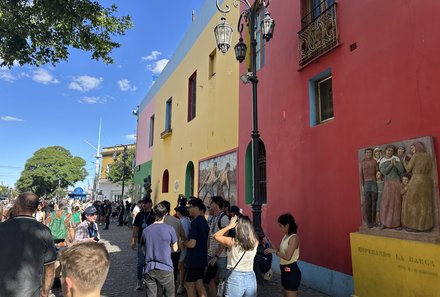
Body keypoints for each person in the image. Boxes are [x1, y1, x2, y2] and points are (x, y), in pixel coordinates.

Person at [0, 192, 57, 297]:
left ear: (16, 206)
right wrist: (45, 292)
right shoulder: (44, 231)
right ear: (35, 209)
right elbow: (49, 267)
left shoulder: (1, 228)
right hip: (31, 292)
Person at [214, 215, 258, 297]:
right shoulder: (255, 242)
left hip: (235, 276)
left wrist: (229, 226)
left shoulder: (232, 242)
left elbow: (216, 236)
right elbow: (251, 235)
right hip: (250, 276)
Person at [142, 203, 178, 297]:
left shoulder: (146, 230)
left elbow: (143, 248)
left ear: (153, 214)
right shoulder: (170, 229)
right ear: (165, 214)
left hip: (149, 268)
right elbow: (175, 248)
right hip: (165, 266)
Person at [264, 214, 301, 297]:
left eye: (280, 225)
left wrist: (273, 251)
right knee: (285, 294)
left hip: (291, 270)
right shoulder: (286, 236)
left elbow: (288, 257)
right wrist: (270, 243)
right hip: (284, 270)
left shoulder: (293, 238)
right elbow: (280, 251)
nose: (279, 228)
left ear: (287, 225)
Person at [402, 141, 434, 231]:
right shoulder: (427, 156)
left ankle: (414, 226)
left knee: (412, 203)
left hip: (416, 180)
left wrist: (405, 161)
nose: (412, 150)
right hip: (426, 181)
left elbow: (408, 169)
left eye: (413, 148)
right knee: (425, 204)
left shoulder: (416, 156)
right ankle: (425, 226)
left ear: (417, 147)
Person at [181, 198, 209, 297]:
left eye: (189, 207)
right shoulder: (204, 221)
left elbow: (192, 244)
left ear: (196, 207)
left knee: (189, 285)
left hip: (194, 260)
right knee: (199, 284)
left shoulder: (195, 222)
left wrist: (184, 243)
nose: (188, 209)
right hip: (201, 258)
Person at [205, 196, 230, 297]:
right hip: (210, 254)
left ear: (216, 204)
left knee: (223, 281)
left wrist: (216, 256)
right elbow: (209, 236)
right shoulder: (213, 218)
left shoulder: (224, 218)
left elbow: (225, 239)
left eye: (211, 203)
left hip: (221, 256)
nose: (210, 205)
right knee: (210, 279)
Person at [160, 200, 186, 285]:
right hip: (174, 251)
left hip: (161, 251)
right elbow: (183, 237)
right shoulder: (177, 221)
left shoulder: (157, 222)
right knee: (173, 272)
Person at [131, 197, 155, 290]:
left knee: (150, 262)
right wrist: (133, 240)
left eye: (145, 203)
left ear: (150, 204)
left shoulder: (154, 214)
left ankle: (148, 279)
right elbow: (136, 228)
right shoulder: (140, 214)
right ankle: (139, 280)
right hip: (142, 242)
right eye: (142, 203)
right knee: (140, 263)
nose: (143, 205)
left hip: (152, 242)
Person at [379, 145, 404, 229]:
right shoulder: (382, 160)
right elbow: (385, 172)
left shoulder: (396, 158)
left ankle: (396, 224)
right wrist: (391, 164)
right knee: (386, 202)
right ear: (385, 151)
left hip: (396, 182)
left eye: (391, 151)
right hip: (387, 183)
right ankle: (384, 222)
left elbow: (401, 170)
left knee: (396, 203)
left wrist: (396, 164)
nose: (390, 152)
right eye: (388, 150)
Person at [360, 148, 379, 228]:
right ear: (365, 153)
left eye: (370, 152)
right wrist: (362, 185)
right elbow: (361, 175)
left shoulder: (374, 162)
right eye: (367, 152)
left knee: (374, 202)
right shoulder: (362, 162)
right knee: (368, 203)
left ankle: (373, 221)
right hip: (366, 183)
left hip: (374, 183)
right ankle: (369, 221)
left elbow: (378, 172)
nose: (368, 154)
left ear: (372, 153)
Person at [175, 205, 191, 294]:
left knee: (181, 266)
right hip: (183, 246)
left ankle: (182, 285)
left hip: (183, 247)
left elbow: (183, 236)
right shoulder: (184, 220)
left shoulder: (184, 222)